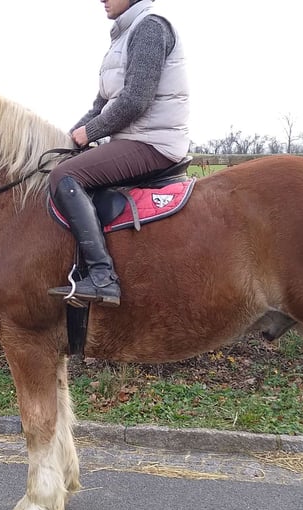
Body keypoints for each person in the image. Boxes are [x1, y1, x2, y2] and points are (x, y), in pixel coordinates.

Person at [48, 0, 190, 307]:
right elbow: (101, 106)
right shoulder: (123, 36)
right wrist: (70, 137)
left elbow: (136, 100)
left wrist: (91, 133)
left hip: (154, 142)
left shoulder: (150, 27)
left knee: (65, 175)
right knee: (61, 164)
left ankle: (102, 277)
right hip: (133, 137)